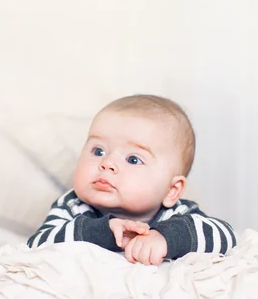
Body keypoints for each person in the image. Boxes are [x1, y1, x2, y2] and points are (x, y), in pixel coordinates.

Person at [26, 94, 237, 266]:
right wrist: (102, 232)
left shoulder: (177, 215)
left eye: (133, 159)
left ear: (172, 190)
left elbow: (226, 236)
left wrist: (165, 238)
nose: (107, 163)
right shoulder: (73, 206)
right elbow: (37, 244)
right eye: (98, 150)